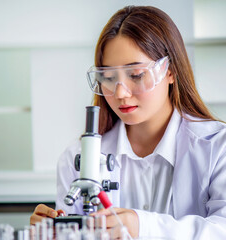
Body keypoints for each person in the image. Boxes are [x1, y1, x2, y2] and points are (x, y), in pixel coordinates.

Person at [30, 5, 226, 239]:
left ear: (170, 71)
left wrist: (142, 226)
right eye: (109, 78)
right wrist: (54, 231)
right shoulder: (77, 159)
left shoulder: (217, 147)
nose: (120, 93)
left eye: (136, 75)